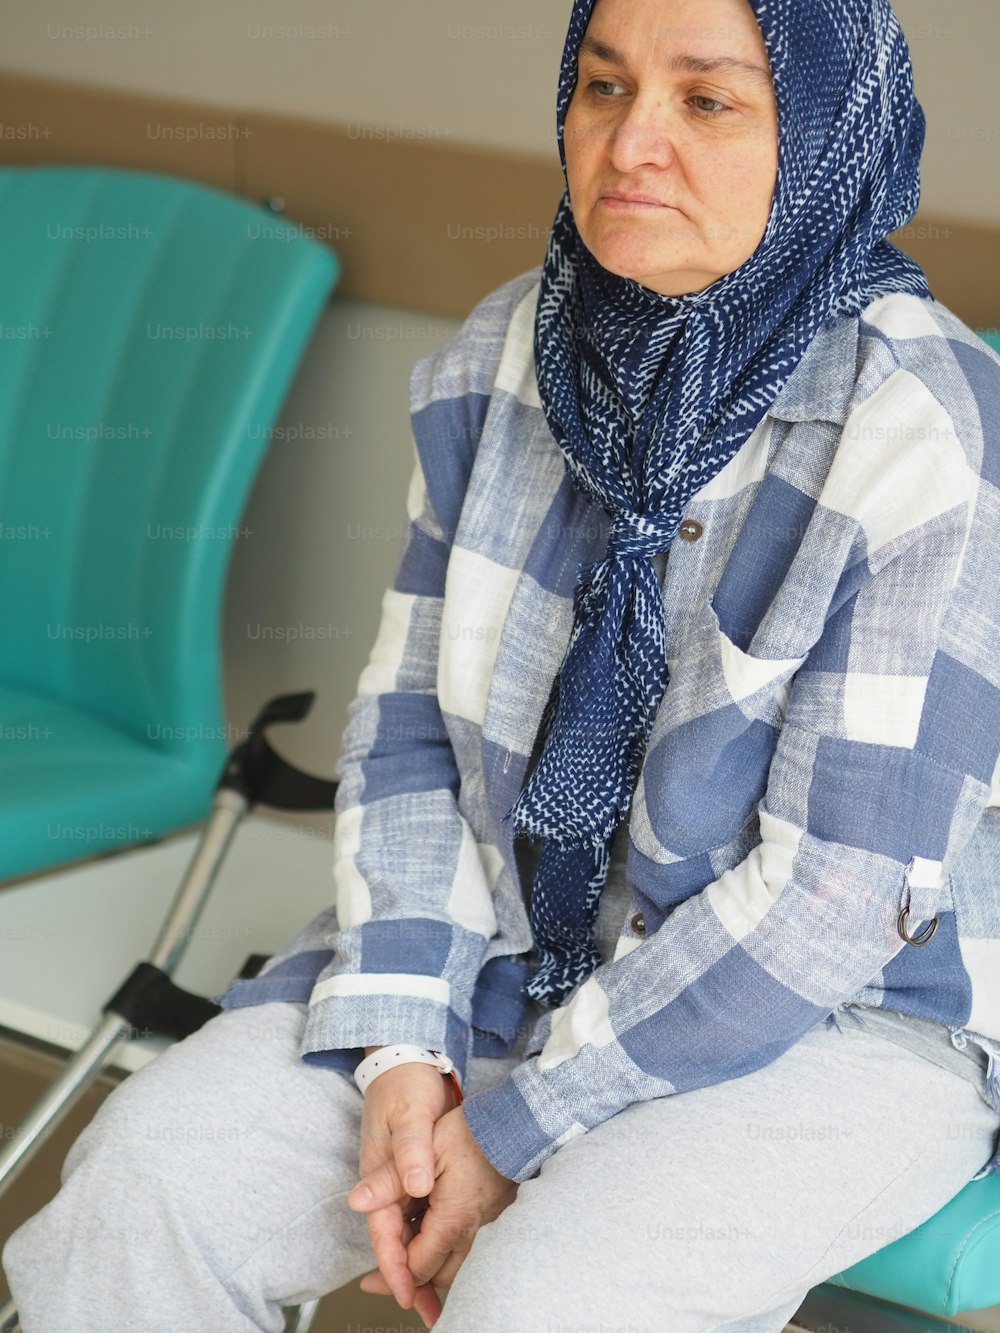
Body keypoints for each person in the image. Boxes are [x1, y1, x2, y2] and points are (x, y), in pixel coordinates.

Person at [5, 0, 1000, 1328]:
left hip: (839, 1017)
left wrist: (520, 1120)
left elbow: (829, 905)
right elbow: (411, 728)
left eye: (707, 101)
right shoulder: (506, 352)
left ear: (824, 139)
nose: (632, 142)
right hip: (508, 957)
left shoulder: (926, 432)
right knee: (146, 1186)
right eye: (601, 85)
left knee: (548, 1301)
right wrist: (407, 1046)